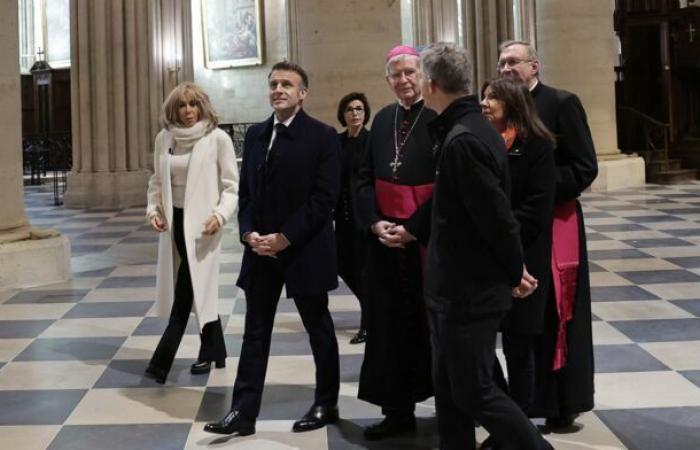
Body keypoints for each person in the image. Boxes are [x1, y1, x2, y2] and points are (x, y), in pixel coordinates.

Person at [421, 42, 553, 450]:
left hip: (468, 290)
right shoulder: (475, 130)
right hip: (454, 287)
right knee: (449, 391)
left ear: (430, 85)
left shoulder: (464, 139)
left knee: (475, 390)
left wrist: (515, 271)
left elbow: (496, 219)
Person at [204, 61, 341, 437]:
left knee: (318, 329)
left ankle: (326, 402)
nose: (279, 89)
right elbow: (245, 192)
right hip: (260, 250)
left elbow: (323, 199)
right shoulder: (256, 135)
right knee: (255, 332)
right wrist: (248, 233)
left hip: (303, 248)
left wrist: (285, 237)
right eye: (274, 84)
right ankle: (243, 412)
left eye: (287, 84)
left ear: (303, 93)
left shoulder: (322, 136)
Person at [498, 39, 598, 428]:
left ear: (534, 65)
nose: (506, 69)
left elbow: (584, 166)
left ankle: (560, 401)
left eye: (513, 62)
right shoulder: (500, 109)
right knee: (521, 316)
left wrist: (538, 191)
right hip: (514, 222)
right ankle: (523, 401)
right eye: (501, 63)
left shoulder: (561, 102)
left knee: (558, 313)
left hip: (556, 223)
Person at [355, 45, 436, 440]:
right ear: (387, 81)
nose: (403, 80)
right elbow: (363, 179)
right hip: (385, 245)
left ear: (423, 76)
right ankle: (397, 413)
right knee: (389, 331)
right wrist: (374, 223)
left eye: (410, 72)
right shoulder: (383, 120)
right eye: (396, 74)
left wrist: (415, 227)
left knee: (436, 329)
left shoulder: (438, 118)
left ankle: (462, 408)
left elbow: (450, 186)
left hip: (428, 243)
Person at [145, 82, 239, 384]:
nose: (188, 111)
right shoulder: (165, 138)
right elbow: (157, 182)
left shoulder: (217, 139)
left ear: (202, 106)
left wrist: (220, 215)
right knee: (196, 286)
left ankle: (160, 363)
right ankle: (216, 351)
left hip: (204, 226)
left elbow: (232, 186)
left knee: (187, 290)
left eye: (193, 104)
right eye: (182, 105)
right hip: (175, 222)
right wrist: (153, 210)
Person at [479, 78, 556, 446]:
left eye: (493, 96)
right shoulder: (480, 140)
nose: (485, 102)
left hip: (525, 257)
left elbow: (538, 207)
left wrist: (501, 234)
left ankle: (518, 425)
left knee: (518, 344)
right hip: (489, 258)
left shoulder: (537, 145)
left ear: (512, 102)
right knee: (480, 345)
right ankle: (505, 415)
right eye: (483, 95)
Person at [335, 92, 372, 345]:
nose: (355, 113)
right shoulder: (337, 142)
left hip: (364, 218)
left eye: (359, 109)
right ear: (343, 114)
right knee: (343, 266)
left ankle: (368, 323)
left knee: (364, 271)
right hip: (342, 217)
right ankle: (372, 307)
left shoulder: (371, 141)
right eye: (349, 109)